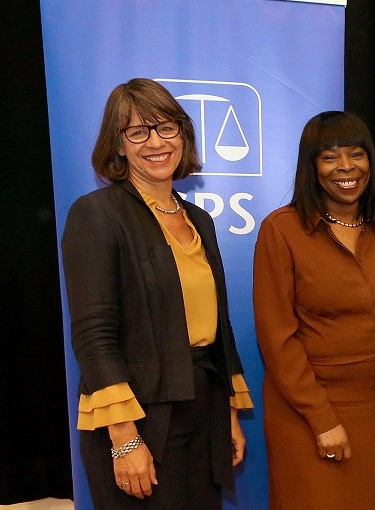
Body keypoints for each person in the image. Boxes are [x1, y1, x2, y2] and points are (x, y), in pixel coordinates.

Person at [62, 78, 253, 509]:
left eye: (166, 127)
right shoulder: (96, 215)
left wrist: (227, 415)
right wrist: (125, 439)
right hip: (138, 415)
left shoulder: (199, 220)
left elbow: (218, 327)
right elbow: (94, 336)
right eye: (138, 131)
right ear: (119, 145)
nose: (156, 142)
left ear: (183, 134)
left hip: (203, 406)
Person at [253, 111, 375, 510]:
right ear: (311, 167)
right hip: (306, 411)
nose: (346, 167)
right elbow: (277, 338)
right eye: (329, 157)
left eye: (356, 154)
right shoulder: (281, 230)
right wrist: (321, 418)